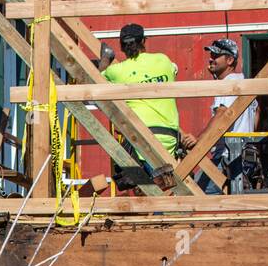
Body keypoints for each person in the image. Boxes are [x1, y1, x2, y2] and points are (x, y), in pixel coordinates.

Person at [98, 23, 196, 183]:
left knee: (155, 189)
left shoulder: (115, 71)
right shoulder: (163, 60)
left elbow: (96, 82)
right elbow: (174, 69)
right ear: (144, 41)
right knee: (168, 189)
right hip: (169, 137)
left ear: (122, 47)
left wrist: (106, 58)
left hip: (139, 139)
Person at [196, 38, 259, 194]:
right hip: (245, 154)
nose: (211, 59)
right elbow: (257, 111)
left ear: (230, 60)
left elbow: (222, 115)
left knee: (194, 191)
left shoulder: (229, 83)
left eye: (216, 56)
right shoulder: (243, 82)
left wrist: (199, 140)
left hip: (227, 156)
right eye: (211, 55)